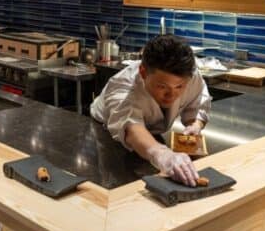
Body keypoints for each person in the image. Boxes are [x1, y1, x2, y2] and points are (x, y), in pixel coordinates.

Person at [90, 35, 211, 186]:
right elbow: (131, 127)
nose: (171, 95)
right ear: (143, 72)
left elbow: (198, 100)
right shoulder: (122, 86)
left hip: (154, 135)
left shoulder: (189, 75)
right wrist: (162, 155)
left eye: (179, 87)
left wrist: (195, 125)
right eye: (162, 86)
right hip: (107, 134)